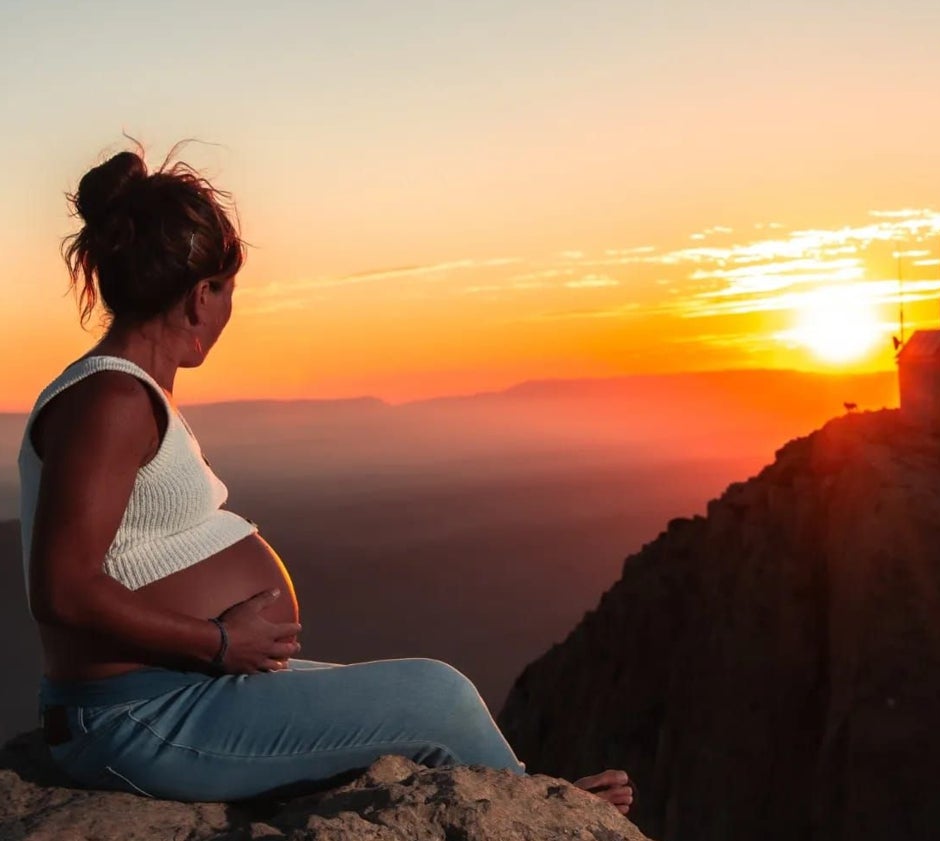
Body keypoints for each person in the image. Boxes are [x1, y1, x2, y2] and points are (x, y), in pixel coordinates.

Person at [17, 145, 634, 811]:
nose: (227, 310)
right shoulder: (110, 401)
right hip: (137, 717)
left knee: (432, 703)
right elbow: (63, 590)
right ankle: (537, 809)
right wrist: (220, 641)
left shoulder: (127, 394)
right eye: (227, 290)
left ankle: (528, 798)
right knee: (434, 695)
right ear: (201, 296)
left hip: (169, 694)